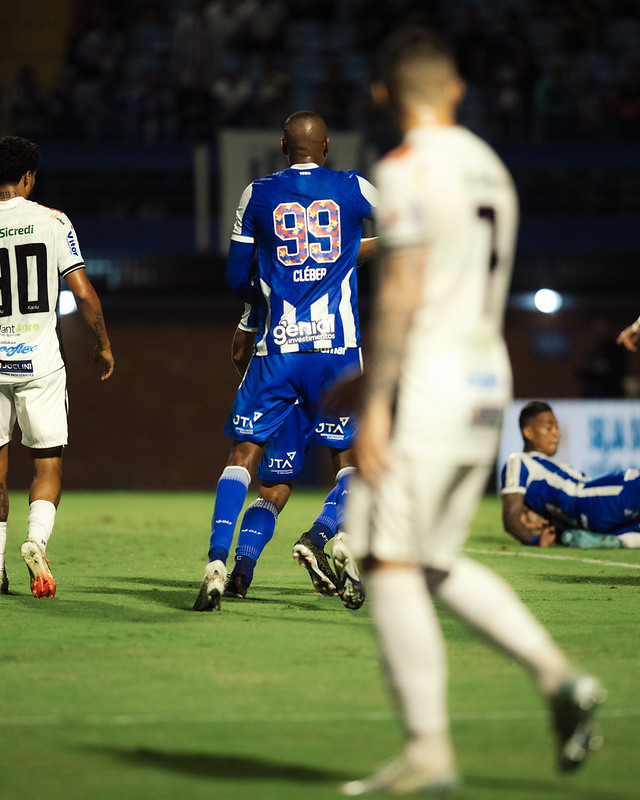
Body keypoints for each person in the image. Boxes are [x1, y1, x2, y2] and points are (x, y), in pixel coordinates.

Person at [340, 29, 604, 796]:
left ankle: (428, 753)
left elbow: (402, 287)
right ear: (456, 91)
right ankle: (562, 681)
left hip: (428, 383)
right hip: (488, 379)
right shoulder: (491, 164)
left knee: (382, 558)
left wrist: (379, 399)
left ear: (384, 97)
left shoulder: (405, 168)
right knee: (435, 562)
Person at [193, 110, 377, 612]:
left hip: (277, 351)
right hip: (336, 353)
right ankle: (323, 535)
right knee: (353, 461)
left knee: (248, 462)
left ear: (281, 145)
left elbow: (236, 278)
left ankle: (219, 561)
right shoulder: (353, 186)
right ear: (327, 145)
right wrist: (348, 252)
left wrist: (255, 312)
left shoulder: (257, 194)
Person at [0, 135, 114, 598]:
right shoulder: (52, 220)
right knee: (47, 463)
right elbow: (83, 292)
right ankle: (36, 541)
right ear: (28, 177)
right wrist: (103, 343)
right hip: (40, 363)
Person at [501, 400, 640, 549]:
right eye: (549, 427)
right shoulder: (519, 460)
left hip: (591, 513)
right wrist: (535, 540)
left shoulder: (549, 464)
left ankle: (616, 540)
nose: (556, 433)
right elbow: (511, 516)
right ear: (528, 432)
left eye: (557, 427)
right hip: (587, 501)